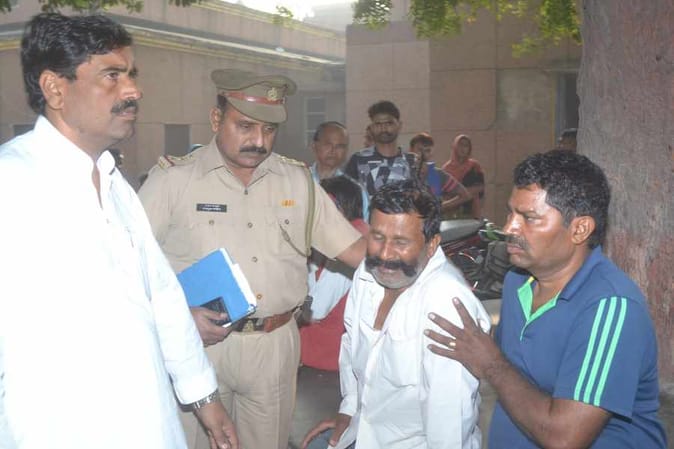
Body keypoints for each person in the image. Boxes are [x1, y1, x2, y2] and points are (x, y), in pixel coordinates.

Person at [0, 13, 237, 449]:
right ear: (55, 88)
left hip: (147, 420)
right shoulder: (11, 183)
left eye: (131, 75)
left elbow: (162, 298)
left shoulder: (116, 186)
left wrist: (203, 394)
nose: (133, 91)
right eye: (112, 76)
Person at [138, 68, 366, 449]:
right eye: (245, 126)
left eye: (269, 130)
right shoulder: (173, 180)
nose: (259, 141)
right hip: (197, 347)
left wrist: (425, 274)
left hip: (273, 346)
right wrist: (177, 317)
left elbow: (355, 250)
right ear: (216, 119)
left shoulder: (297, 182)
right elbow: (124, 267)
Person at [426, 150, 667, 448]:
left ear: (579, 229)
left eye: (529, 218)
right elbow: (519, 373)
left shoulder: (611, 307)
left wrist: (490, 363)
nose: (509, 228)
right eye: (511, 213)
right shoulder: (517, 281)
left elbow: (564, 438)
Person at [301, 179, 490, 449]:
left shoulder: (446, 304)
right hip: (363, 432)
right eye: (377, 237)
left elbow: (449, 425)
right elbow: (351, 346)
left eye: (401, 242)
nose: (385, 254)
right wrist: (349, 410)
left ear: (432, 244)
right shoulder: (367, 274)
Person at [300, 176, 369, 371]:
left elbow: (316, 309)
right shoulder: (358, 234)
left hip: (324, 357)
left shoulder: (349, 244)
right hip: (330, 356)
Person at [343, 100, 417, 198]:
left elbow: (425, 199)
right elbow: (347, 198)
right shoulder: (358, 160)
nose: (383, 128)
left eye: (389, 123)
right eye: (378, 124)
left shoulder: (412, 161)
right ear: (371, 127)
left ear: (399, 125)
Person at [409, 132, 472, 218]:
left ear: (431, 153)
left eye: (427, 150)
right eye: (419, 150)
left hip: (431, 222)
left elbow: (465, 195)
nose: (423, 155)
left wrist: (441, 207)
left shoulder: (435, 175)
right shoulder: (402, 173)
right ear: (411, 150)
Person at [441, 134, 485, 218]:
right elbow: (444, 193)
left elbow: (479, 188)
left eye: (466, 146)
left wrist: (460, 194)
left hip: (472, 211)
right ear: (454, 147)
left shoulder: (474, 166)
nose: (463, 148)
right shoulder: (446, 168)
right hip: (452, 213)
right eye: (460, 145)